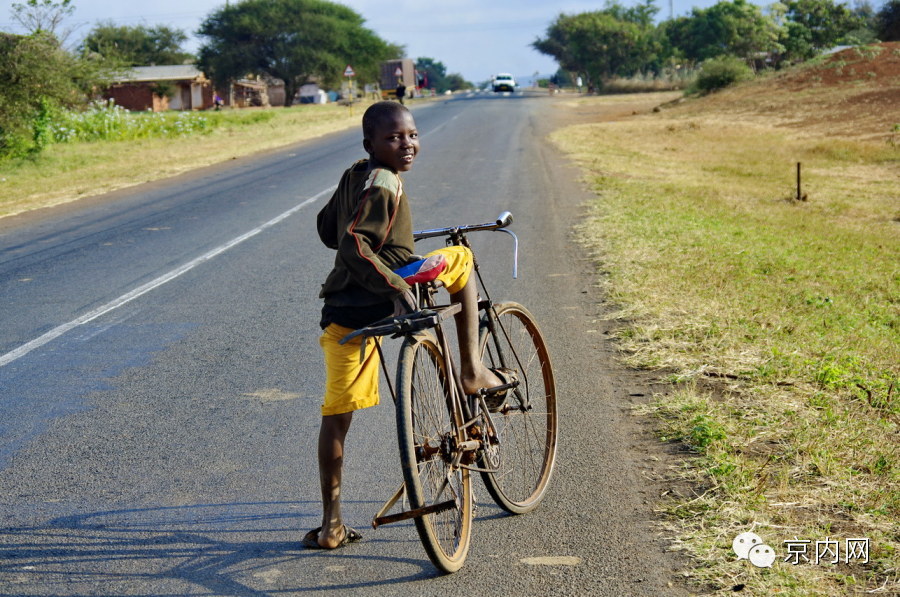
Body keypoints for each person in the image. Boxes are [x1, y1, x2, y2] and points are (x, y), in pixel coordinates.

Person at [304, 101, 507, 550]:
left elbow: (328, 230)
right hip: (388, 289)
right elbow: (355, 243)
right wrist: (396, 285)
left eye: (412, 135)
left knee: (337, 415)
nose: (407, 144)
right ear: (371, 144)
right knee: (462, 260)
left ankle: (331, 525)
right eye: (395, 138)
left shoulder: (356, 173)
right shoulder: (384, 181)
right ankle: (472, 369)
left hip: (343, 310)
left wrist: (359, 220)